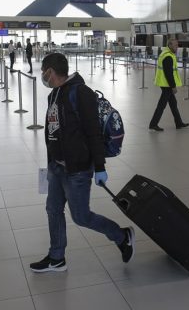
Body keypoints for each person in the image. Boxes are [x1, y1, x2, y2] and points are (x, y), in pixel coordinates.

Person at [29, 53, 134, 273]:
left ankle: (121, 235)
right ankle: (57, 258)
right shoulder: (54, 94)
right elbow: (52, 132)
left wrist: (100, 167)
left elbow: (93, 133)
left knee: (81, 217)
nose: (42, 76)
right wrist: (50, 163)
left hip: (77, 169)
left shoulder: (81, 93)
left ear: (51, 71)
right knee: (53, 209)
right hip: (57, 166)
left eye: (43, 72)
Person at [149, 39, 189, 131]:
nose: (177, 47)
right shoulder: (168, 56)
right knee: (162, 105)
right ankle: (153, 124)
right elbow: (169, 74)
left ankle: (178, 123)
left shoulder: (166, 53)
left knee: (173, 103)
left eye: (177, 45)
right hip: (166, 84)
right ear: (170, 45)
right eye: (175, 45)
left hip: (165, 83)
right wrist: (173, 86)